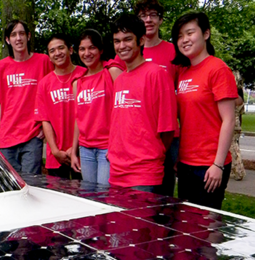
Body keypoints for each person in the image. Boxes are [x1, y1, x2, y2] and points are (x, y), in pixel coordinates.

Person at [172, 12, 237, 209]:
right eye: (180, 36)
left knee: (207, 227)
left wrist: (217, 165)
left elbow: (229, 120)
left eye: (190, 33)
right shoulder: (183, 72)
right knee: (187, 224)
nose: (184, 40)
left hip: (210, 165)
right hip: (186, 163)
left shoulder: (218, 69)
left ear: (206, 34)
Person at [108, 14, 177, 193]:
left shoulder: (157, 74)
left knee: (141, 222)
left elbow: (168, 128)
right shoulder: (120, 79)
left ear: (141, 40)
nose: (122, 46)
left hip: (143, 173)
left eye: (128, 39)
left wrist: (151, 155)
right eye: (117, 41)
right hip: (116, 170)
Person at [0, 20, 53, 174]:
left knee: (31, 186)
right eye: (13, 35)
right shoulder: (0, 67)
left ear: (28, 36)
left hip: (32, 135)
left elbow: (52, 97)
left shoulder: (43, 61)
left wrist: (46, 128)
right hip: (7, 137)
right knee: (11, 186)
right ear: (7, 40)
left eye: (22, 33)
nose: (18, 38)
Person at [70, 29, 123, 185]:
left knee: (104, 194)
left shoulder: (112, 72)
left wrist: (117, 145)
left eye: (92, 47)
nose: (87, 53)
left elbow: (124, 111)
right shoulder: (77, 83)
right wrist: (74, 151)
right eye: (82, 49)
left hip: (108, 147)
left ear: (100, 50)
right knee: (89, 196)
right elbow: (78, 119)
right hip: (85, 149)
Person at [35, 34, 86, 179]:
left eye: (61, 48)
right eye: (52, 51)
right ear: (49, 56)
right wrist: (56, 151)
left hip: (83, 152)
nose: (57, 53)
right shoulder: (44, 83)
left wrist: (75, 148)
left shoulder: (84, 75)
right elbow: (45, 120)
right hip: (56, 156)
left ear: (70, 50)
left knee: (84, 197)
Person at [229, 71, 246, 181]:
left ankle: (239, 170)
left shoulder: (231, 96)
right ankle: (233, 169)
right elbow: (240, 114)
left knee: (233, 148)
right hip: (236, 124)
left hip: (231, 124)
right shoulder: (239, 99)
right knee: (233, 147)